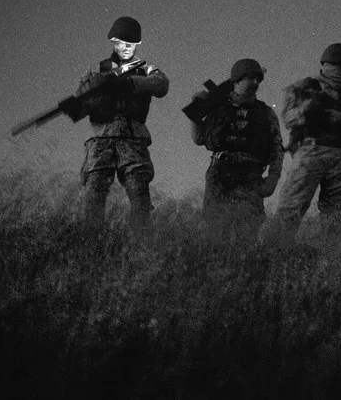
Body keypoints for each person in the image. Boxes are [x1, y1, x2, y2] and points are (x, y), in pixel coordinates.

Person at [269, 43, 341, 250]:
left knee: (336, 209)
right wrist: (308, 109)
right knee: (292, 205)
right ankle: (275, 252)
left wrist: (336, 118)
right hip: (311, 151)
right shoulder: (305, 88)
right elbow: (289, 118)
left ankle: (328, 256)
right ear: (333, 65)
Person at [76, 16, 169, 232]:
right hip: (101, 136)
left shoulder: (145, 68)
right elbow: (80, 100)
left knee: (139, 191)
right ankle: (91, 240)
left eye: (132, 44)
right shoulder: (98, 69)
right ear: (114, 42)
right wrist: (98, 86)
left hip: (132, 136)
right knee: (95, 190)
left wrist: (129, 83)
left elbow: (161, 84)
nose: (127, 48)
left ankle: (141, 239)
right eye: (123, 43)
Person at [185, 58, 284, 246]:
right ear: (237, 79)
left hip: (251, 175)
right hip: (220, 173)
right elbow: (198, 138)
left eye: (258, 79)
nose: (255, 82)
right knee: (216, 232)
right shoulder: (217, 107)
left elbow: (277, 148)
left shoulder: (266, 113)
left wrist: (273, 178)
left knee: (248, 234)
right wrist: (196, 111)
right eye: (250, 78)